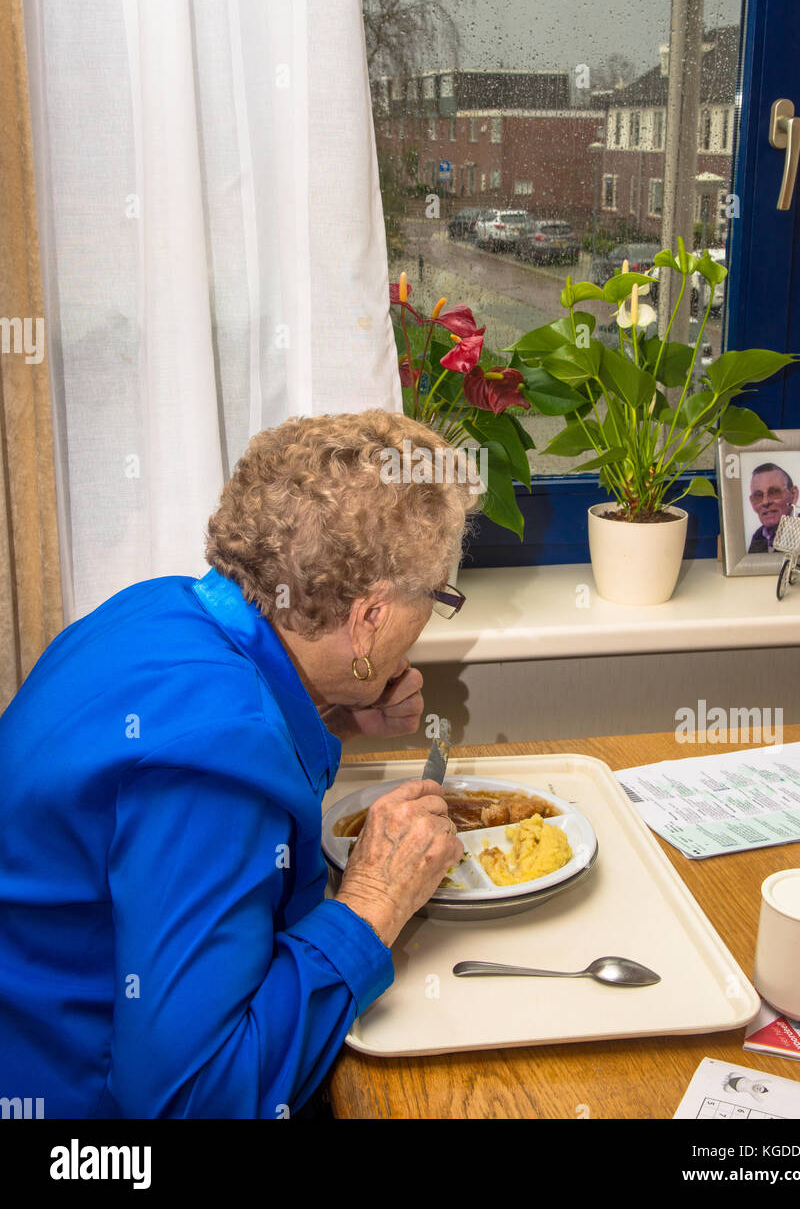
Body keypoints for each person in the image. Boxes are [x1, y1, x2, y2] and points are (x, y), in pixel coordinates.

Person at [0, 410, 477, 1118]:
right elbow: (192, 1097)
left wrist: (333, 702)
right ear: (369, 617)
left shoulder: (160, 606)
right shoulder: (207, 762)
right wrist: (374, 905)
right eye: (436, 596)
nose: (433, 615)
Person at [747, 461, 799, 553]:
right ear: (752, 502)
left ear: (793, 495)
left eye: (774, 492)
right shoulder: (758, 537)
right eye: (758, 496)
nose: (765, 502)